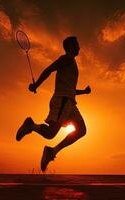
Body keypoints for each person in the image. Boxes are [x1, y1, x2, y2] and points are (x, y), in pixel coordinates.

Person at [16, 36, 91, 171]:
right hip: (62, 100)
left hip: (70, 103)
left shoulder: (71, 62)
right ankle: (31, 125)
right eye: (77, 45)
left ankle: (52, 151)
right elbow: (49, 69)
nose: (79, 47)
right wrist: (36, 85)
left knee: (81, 130)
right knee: (50, 134)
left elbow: (71, 90)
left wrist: (83, 92)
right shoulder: (66, 58)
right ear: (70, 46)